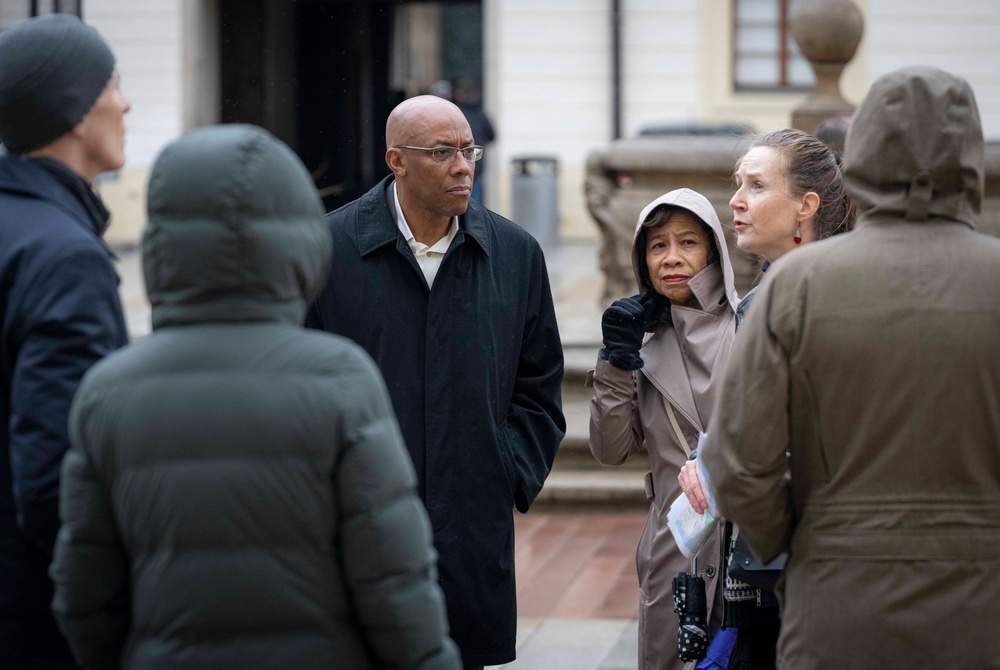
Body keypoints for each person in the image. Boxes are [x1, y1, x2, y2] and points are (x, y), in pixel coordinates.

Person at [49, 124, 461, 670]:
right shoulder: (339, 379)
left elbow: (83, 595)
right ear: (298, 237)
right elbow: (393, 583)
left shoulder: (109, 391)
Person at [700, 66, 1000, 668]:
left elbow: (735, 463)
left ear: (863, 152)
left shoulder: (798, 286)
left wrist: (804, 545)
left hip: (837, 600)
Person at [306, 95, 565, 669]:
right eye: (441, 152)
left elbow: (540, 382)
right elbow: (298, 383)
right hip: (360, 520)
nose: (463, 166)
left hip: (472, 523)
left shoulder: (514, 254)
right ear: (396, 160)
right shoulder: (326, 250)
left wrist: (506, 467)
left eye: (469, 150)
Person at [679, 128, 855, 670]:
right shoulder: (764, 296)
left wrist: (723, 465)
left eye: (756, 185)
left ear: (806, 206)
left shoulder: (823, 296)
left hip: (799, 562)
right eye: (738, 184)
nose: (735, 200)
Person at [0, 14, 130, 668]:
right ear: (77, 112)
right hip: (33, 614)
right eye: (113, 85)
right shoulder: (64, 257)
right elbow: (59, 476)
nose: (126, 102)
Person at [588, 188, 740, 670]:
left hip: (746, 543)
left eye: (688, 242)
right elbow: (610, 450)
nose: (672, 258)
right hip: (676, 547)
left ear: (714, 252)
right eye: (657, 246)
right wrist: (614, 362)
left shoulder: (752, 323)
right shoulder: (637, 341)